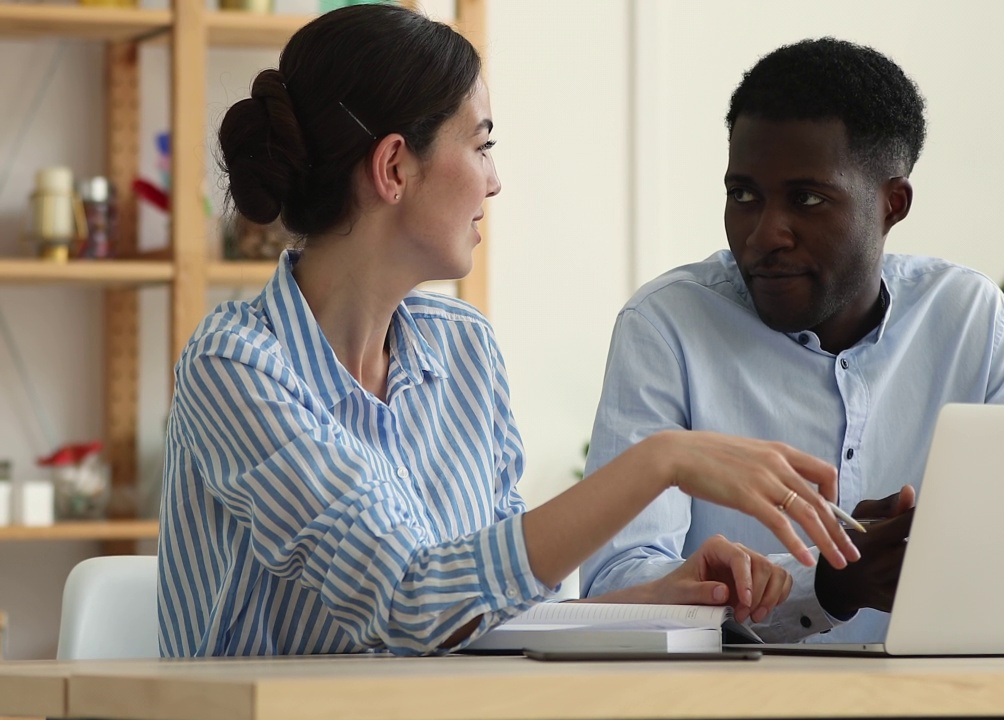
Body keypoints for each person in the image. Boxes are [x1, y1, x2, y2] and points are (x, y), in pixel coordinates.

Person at [156, 5, 861, 658]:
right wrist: (661, 460)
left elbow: (490, 616)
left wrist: (657, 603)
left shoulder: (463, 347)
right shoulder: (236, 367)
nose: (495, 181)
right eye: (482, 145)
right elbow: (410, 600)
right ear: (394, 167)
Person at [579, 38, 1004, 644]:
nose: (764, 235)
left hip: (941, 699)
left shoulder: (973, 322)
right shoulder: (667, 326)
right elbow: (620, 592)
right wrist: (826, 584)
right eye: (743, 195)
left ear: (892, 204)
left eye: (806, 199)